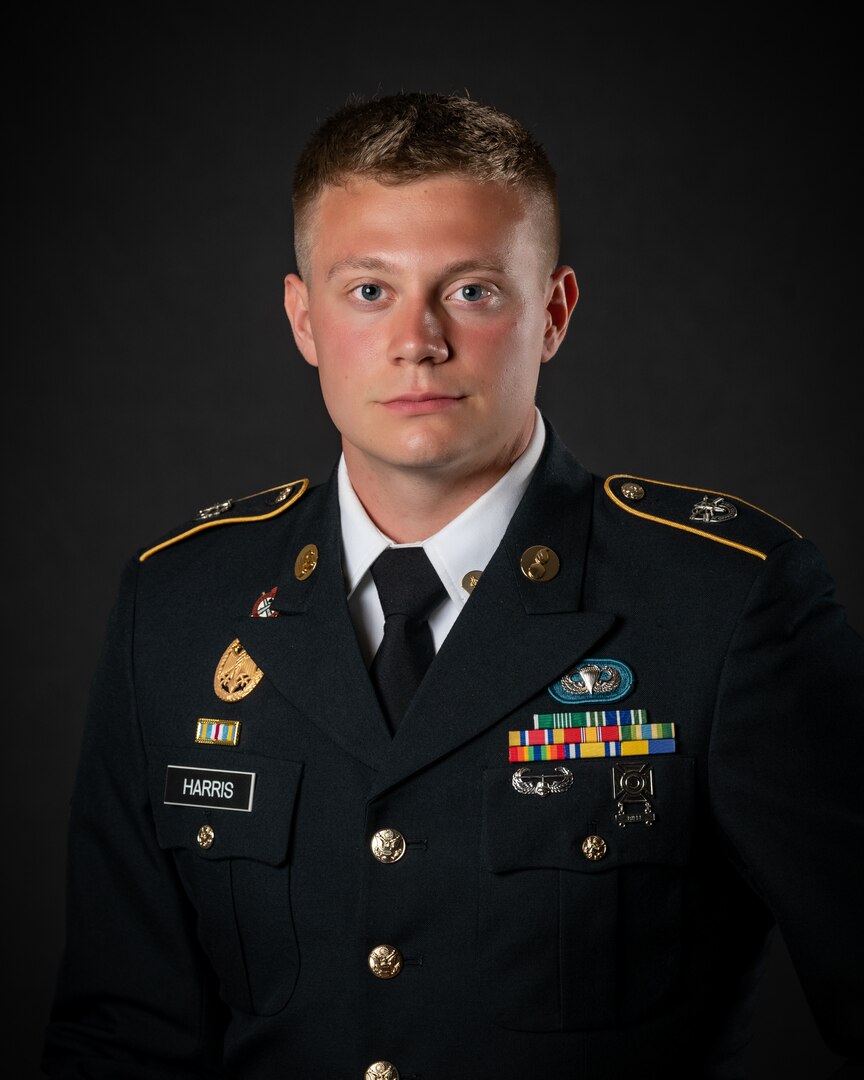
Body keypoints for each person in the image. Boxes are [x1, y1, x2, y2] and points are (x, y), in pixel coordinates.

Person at [42, 92, 862, 1079]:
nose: (419, 339)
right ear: (304, 319)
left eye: (472, 290)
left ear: (552, 313)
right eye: (369, 291)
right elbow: (122, 1040)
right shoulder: (178, 604)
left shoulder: (724, 604)